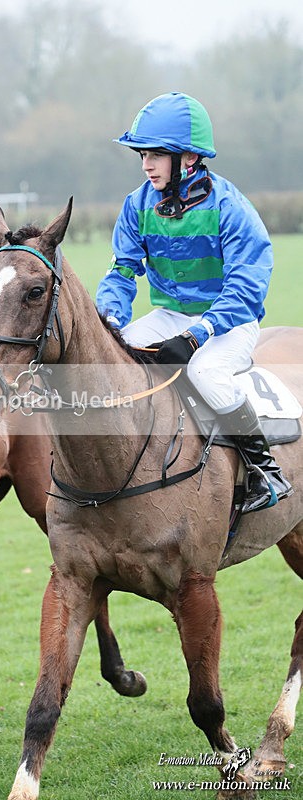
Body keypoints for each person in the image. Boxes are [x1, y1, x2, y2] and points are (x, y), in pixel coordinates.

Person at [96, 92, 292, 514]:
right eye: (142, 154)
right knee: (111, 360)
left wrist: (198, 333)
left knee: (206, 372)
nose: (145, 164)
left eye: (154, 155)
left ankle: (265, 471)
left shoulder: (230, 207)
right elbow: (122, 272)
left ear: (187, 158)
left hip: (229, 323)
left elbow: (245, 287)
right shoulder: (137, 205)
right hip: (168, 316)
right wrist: (109, 318)